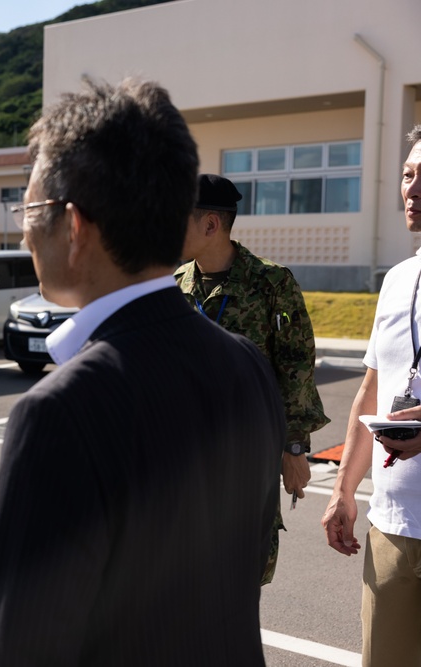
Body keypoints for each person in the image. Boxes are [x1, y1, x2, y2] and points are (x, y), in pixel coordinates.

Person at [0, 78, 286, 666]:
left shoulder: (61, 411)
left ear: (76, 227)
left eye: (31, 209)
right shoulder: (248, 366)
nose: (22, 228)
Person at [176, 173, 329, 584]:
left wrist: (294, 448)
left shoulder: (271, 283)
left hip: (246, 460)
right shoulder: (174, 287)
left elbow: (296, 366)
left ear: (211, 224)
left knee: (237, 583)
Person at [321, 125, 421, 667]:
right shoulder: (398, 280)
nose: (413, 189)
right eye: (408, 175)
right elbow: (372, 388)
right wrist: (343, 490)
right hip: (394, 526)